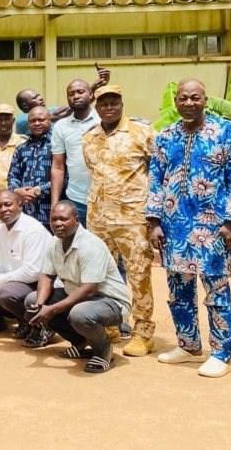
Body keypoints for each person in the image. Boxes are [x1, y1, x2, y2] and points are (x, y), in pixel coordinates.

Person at [148, 78, 231, 378]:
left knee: (216, 291)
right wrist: (154, 221)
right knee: (178, 291)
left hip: (214, 228)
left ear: (205, 100)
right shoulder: (166, 135)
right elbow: (156, 179)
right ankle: (189, 345)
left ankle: (222, 353)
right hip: (174, 227)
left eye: (195, 97)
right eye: (183, 98)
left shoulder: (225, 131)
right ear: (176, 101)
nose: (188, 103)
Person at [82, 85, 157, 357]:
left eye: (114, 102)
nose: (109, 107)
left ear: (122, 104)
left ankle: (143, 332)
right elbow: (93, 173)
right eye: (103, 103)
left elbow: (158, 172)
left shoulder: (142, 132)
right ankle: (110, 324)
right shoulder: (89, 137)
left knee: (138, 274)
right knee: (102, 274)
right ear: (97, 107)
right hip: (99, 218)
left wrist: (155, 215)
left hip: (132, 218)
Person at [25, 201, 132, 373]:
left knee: (80, 314)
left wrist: (52, 309)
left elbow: (90, 289)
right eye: (53, 219)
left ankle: (103, 350)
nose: (57, 223)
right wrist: (40, 304)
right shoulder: (54, 242)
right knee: (32, 300)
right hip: (77, 296)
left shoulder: (90, 245)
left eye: (63, 219)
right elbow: (47, 276)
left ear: (76, 220)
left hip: (110, 301)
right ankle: (80, 342)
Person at [0, 190, 54, 342]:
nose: (3, 209)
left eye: (8, 204)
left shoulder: (32, 230)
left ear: (20, 206)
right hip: (16, 281)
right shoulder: (2, 230)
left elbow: (33, 272)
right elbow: (4, 263)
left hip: (39, 284)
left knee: (6, 293)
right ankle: (21, 321)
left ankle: (40, 324)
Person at [51, 79, 99, 225]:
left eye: (80, 92)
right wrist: (55, 203)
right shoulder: (61, 126)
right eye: (71, 94)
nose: (76, 96)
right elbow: (58, 167)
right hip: (76, 199)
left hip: (104, 198)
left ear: (91, 94)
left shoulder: (102, 120)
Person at [7, 106, 54, 228]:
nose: (37, 123)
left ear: (49, 120)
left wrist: (38, 190)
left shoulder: (57, 146)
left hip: (51, 213)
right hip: (25, 213)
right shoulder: (21, 148)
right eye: (32, 121)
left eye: (41, 120)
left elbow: (65, 178)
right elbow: (12, 176)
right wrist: (17, 191)